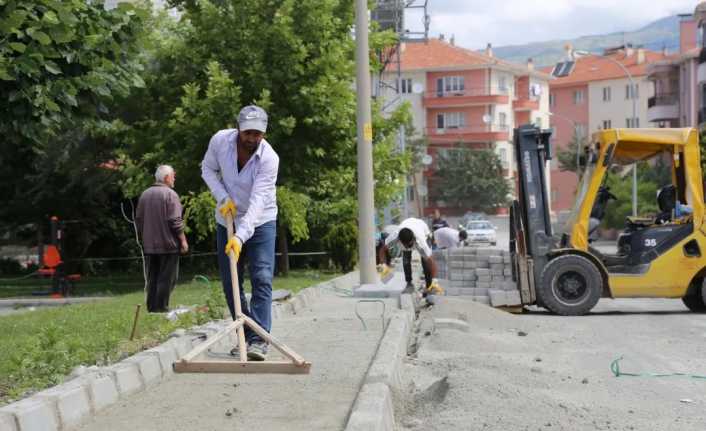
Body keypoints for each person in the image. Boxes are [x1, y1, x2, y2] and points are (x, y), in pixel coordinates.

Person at [201, 105, 279, 361]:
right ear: (238, 129)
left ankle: (259, 340)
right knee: (229, 281)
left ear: (264, 134)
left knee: (262, 276)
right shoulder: (219, 142)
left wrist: (240, 237)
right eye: (248, 133)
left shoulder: (269, 159)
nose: (252, 138)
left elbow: (257, 202)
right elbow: (207, 169)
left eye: (257, 134)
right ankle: (245, 335)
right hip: (228, 218)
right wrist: (223, 197)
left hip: (261, 220)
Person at [136, 165, 189, 313]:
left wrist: (144, 237)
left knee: (152, 277)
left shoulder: (145, 194)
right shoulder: (170, 195)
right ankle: (161, 307)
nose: (174, 179)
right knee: (167, 277)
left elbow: (139, 219)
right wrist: (183, 241)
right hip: (168, 244)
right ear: (166, 178)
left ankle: (151, 306)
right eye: (173, 176)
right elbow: (175, 221)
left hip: (149, 246)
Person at [378, 217, 437, 295]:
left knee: (425, 262)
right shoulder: (394, 237)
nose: (408, 248)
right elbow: (382, 251)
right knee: (406, 258)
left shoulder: (421, 242)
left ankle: (429, 286)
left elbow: (431, 262)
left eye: (410, 245)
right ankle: (409, 284)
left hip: (423, 230)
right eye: (405, 245)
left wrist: (433, 280)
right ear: (399, 240)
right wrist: (384, 267)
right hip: (406, 225)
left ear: (413, 240)